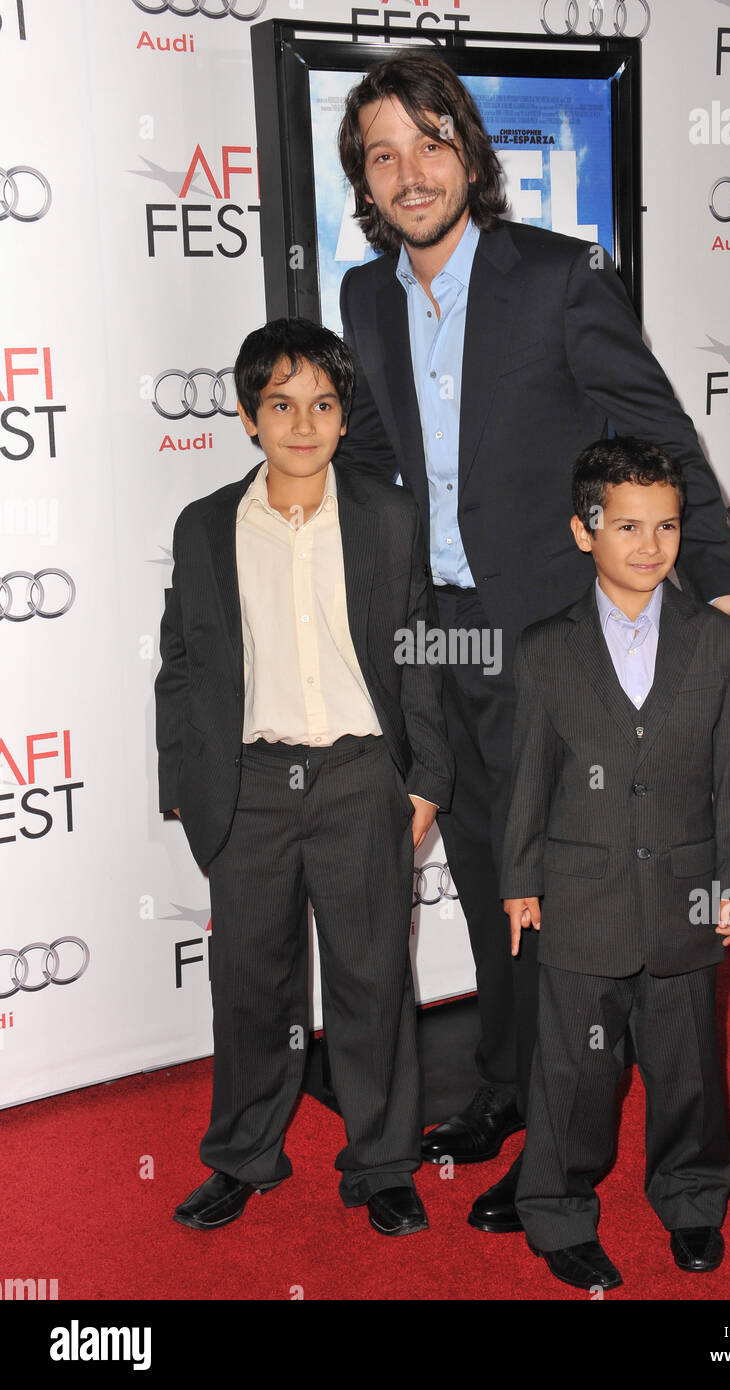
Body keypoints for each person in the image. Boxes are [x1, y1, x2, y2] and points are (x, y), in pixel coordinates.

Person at [335, 50, 730, 1233]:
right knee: (491, 874)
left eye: (430, 143)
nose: (410, 172)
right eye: (382, 154)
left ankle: (568, 1134)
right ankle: (506, 1091)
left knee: (577, 892)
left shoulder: (559, 278)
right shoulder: (364, 300)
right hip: (445, 633)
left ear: (469, 154)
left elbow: (659, 434)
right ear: (362, 184)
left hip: (552, 636)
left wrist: (720, 579)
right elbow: (374, 465)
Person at [154, 317, 453, 1237]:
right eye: (279, 404)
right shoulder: (205, 526)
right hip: (249, 785)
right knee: (250, 986)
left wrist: (426, 778)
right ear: (248, 417)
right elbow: (182, 662)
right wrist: (185, 781)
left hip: (362, 778)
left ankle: (383, 1164)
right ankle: (245, 1156)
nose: (301, 423)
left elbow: (418, 653)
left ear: (342, 416)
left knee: (372, 980)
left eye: (321, 404)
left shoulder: (388, 516)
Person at [501, 437, 730, 1290]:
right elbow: (527, 777)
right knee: (573, 1074)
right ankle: (557, 1211)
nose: (649, 546)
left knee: (688, 1061)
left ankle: (692, 1200)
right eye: (626, 526)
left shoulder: (715, 641)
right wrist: (519, 881)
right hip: (581, 898)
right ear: (585, 532)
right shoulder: (545, 648)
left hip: (686, 893)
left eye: (665, 526)